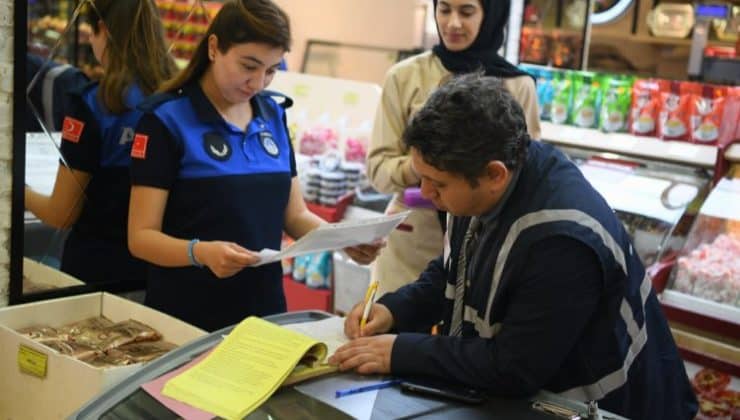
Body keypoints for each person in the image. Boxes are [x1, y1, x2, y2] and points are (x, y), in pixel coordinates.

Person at [329, 74, 698, 420]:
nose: (425, 194)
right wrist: (394, 310)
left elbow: (514, 367)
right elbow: (453, 270)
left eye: (436, 183)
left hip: (612, 407)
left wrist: (401, 351)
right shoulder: (478, 180)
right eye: (422, 178)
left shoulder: (563, 242)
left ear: (494, 175)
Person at [128, 0, 380, 332]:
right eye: (249, 66)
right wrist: (200, 252)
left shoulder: (272, 114)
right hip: (186, 315)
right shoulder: (165, 120)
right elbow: (141, 237)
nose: (258, 83)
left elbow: (295, 216)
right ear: (215, 47)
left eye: (272, 70)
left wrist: (342, 239)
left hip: (265, 312)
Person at [367, 0, 542, 296]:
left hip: (487, 246)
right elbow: (378, 171)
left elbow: (526, 175)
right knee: (397, 327)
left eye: (467, 11)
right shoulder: (405, 76)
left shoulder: (517, 85)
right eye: (444, 9)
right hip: (412, 245)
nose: (453, 23)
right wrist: (428, 166)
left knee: (465, 337)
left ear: (491, 14)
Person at [25, 0, 177, 289]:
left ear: (103, 30)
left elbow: (61, 213)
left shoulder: (95, 104)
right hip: (163, 275)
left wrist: (18, 190)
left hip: (98, 273)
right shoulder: (178, 99)